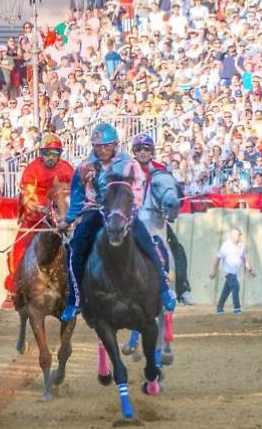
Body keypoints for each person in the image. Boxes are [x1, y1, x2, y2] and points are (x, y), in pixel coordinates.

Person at [58, 122, 178, 322]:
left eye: (107, 145)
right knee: (77, 247)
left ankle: (164, 290)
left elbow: (137, 190)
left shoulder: (129, 163)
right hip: (95, 211)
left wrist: (129, 212)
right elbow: (78, 196)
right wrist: (68, 219)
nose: (102, 150)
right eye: (98, 146)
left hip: (123, 212)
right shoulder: (84, 166)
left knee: (146, 241)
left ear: (115, 145)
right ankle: (74, 300)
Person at [4, 131, 75, 308]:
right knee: (18, 251)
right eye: (47, 153)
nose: (51, 157)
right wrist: (42, 209)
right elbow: (27, 197)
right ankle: (13, 291)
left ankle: (79, 288)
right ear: (40, 153)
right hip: (36, 219)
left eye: (55, 154)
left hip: (62, 218)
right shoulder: (32, 169)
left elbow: (76, 191)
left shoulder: (67, 169)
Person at [130, 132, 194, 304]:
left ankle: (182, 289)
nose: (142, 152)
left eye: (146, 149)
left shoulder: (161, 169)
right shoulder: (127, 168)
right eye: (138, 149)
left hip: (155, 219)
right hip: (130, 218)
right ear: (133, 151)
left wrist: (171, 208)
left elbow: (172, 192)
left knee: (176, 249)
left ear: (152, 151)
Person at [210, 227, 256, 314]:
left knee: (226, 290)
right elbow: (217, 258)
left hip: (235, 272)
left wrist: (250, 270)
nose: (239, 237)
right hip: (228, 272)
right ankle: (237, 308)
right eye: (238, 235)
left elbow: (245, 258)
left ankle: (219, 307)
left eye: (240, 235)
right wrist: (214, 272)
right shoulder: (226, 246)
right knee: (236, 286)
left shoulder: (241, 246)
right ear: (232, 235)